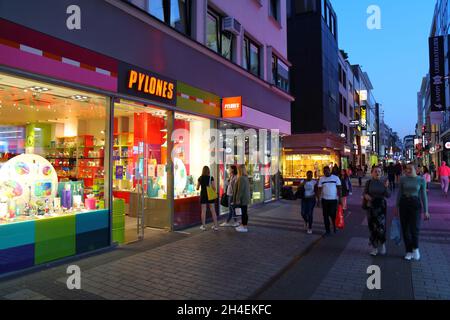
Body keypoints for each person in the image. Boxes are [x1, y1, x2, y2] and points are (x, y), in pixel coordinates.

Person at [396, 163, 430, 261]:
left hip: (415, 204)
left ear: (416, 169)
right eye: (406, 169)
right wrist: (396, 206)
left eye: (410, 169)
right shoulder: (402, 179)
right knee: (405, 229)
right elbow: (399, 193)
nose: (407, 171)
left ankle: (415, 248)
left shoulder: (421, 180)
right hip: (404, 203)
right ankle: (408, 251)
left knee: (414, 228)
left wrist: (426, 211)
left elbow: (424, 196)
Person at [363, 166, 391, 256]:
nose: (377, 173)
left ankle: (382, 244)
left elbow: (388, 195)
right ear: (372, 173)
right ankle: (374, 247)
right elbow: (364, 192)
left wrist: (386, 187)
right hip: (371, 206)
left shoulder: (384, 182)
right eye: (375, 171)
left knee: (381, 226)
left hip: (381, 206)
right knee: (372, 227)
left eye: (379, 171)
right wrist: (366, 195)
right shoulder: (369, 182)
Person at [318, 166, 342, 235]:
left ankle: (334, 226)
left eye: (327, 170)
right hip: (324, 200)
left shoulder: (335, 178)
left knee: (332, 214)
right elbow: (319, 189)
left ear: (329, 170)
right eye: (324, 171)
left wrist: (340, 199)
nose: (326, 172)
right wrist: (318, 200)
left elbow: (339, 188)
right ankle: (327, 230)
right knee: (325, 216)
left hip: (333, 200)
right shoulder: (321, 179)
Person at [197, 166, 219, 231]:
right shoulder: (211, 178)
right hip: (210, 196)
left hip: (203, 195)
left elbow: (197, 188)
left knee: (203, 210)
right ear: (208, 171)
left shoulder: (200, 178)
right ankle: (216, 226)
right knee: (213, 210)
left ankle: (203, 226)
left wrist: (200, 186)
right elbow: (214, 188)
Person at [233, 165, 251, 233]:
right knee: (244, 212)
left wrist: (237, 199)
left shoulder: (241, 178)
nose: (237, 171)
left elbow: (240, 190)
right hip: (245, 198)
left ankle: (244, 226)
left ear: (240, 170)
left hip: (243, 198)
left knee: (244, 212)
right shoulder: (245, 177)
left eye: (238, 169)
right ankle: (243, 225)